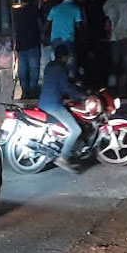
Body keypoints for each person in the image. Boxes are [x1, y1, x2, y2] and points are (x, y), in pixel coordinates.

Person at [39, 43, 86, 174]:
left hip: (44, 102)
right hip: (53, 105)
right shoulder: (61, 68)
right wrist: (82, 95)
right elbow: (66, 87)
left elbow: (55, 85)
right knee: (75, 130)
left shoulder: (50, 66)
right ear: (65, 57)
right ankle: (63, 158)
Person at [103, 0, 127, 97]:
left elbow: (107, 25)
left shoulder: (107, 3)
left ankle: (112, 89)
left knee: (114, 64)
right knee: (126, 65)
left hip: (115, 37)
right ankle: (122, 90)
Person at [46, 0, 84, 78]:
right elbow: (78, 26)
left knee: (55, 63)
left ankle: (57, 80)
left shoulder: (55, 8)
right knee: (70, 64)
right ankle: (68, 82)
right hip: (69, 39)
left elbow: (47, 24)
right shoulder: (76, 9)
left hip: (55, 39)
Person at [13, 0, 42, 99]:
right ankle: (33, 91)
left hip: (20, 45)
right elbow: (40, 25)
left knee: (22, 69)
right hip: (33, 43)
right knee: (34, 69)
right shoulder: (35, 10)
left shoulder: (17, 11)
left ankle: (24, 91)